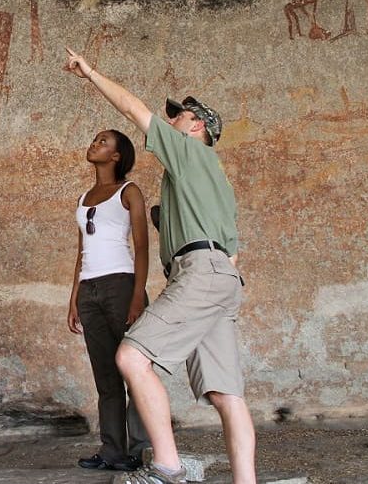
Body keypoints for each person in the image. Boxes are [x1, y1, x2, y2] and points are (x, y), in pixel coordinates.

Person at [63, 48, 256, 484]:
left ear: (197, 126)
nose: (171, 122)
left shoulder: (189, 155)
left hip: (200, 273)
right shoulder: (213, 180)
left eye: (179, 117)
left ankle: (168, 470)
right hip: (223, 278)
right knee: (228, 395)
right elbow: (232, 253)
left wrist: (90, 72)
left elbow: (133, 109)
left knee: (131, 358)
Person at [68, 129, 150, 471]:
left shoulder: (128, 192)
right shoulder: (84, 196)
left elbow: (143, 246)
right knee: (106, 378)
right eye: (95, 139)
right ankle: (112, 451)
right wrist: (73, 299)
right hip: (90, 290)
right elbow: (81, 250)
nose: (95, 144)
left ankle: (143, 450)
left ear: (116, 156)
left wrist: (136, 298)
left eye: (103, 142)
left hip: (121, 285)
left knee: (137, 373)